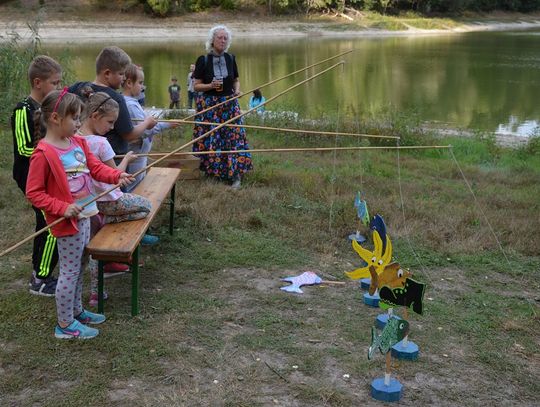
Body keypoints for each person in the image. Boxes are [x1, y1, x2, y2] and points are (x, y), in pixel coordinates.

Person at [26, 88, 134, 339]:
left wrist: (116, 175)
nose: (78, 124)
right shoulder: (44, 153)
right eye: (74, 119)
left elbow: (95, 168)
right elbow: (34, 193)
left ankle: (76, 311)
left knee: (82, 264)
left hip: (86, 215)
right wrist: (62, 208)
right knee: (70, 271)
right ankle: (65, 325)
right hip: (67, 222)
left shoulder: (77, 142)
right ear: (55, 118)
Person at [77, 90, 152, 307]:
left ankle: (94, 295)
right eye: (109, 122)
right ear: (95, 115)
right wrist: (127, 159)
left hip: (89, 205)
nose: (111, 128)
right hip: (109, 203)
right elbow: (115, 178)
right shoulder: (101, 143)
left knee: (92, 249)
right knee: (146, 206)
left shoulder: (75, 140)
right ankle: (112, 221)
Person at [11, 55, 62, 297]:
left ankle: (40, 271)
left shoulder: (48, 109)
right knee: (52, 224)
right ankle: (40, 279)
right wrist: (56, 153)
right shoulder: (24, 109)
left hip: (46, 174)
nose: (59, 88)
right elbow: (24, 149)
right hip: (29, 176)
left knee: (45, 223)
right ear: (38, 82)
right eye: (55, 83)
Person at [192, 25, 252, 189]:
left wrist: (237, 91)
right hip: (211, 107)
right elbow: (196, 86)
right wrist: (210, 85)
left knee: (233, 138)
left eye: (225, 38)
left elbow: (236, 80)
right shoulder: (203, 60)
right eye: (220, 37)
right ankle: (213, 173)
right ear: (212, 40)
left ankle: (235, 174)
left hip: (230, 105)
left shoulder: (231, 58)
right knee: (213, 139)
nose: (223, 40)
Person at [69, 46, 157, 157]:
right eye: (121, 74)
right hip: (111, 160)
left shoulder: (78, 87)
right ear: (107, 73)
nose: (124, 78)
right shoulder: (116, 98)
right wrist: (147, 123)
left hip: (81, 156)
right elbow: (129, 134)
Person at [123, 64, 177, 193]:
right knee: (134, 186)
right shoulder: (130, 106)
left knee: (138, 182)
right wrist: (168, 124)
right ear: (129, 83)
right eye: (140, 83)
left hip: (140, 154)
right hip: (136, 155)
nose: (142, 87)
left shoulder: (131, 102)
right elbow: (146, 130)